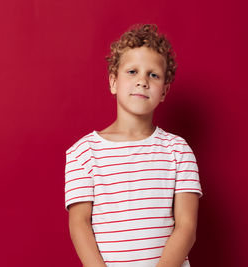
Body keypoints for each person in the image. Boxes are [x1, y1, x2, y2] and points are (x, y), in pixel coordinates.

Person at [64, 23, 203, 267]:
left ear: (164, 91)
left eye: (153, 74)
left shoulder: (178, 151)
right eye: (132, 72)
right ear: (113, 82)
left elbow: (186, 227)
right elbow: (79, 224)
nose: (142, 81)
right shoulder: (83, 153)